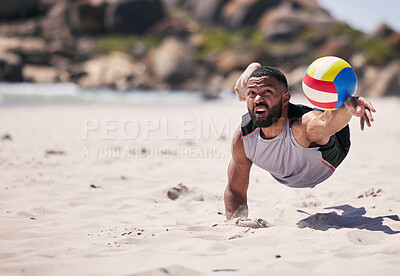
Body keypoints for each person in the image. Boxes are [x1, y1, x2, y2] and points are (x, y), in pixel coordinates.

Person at [224, 62, 376, 220]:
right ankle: (253, 72)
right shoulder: (243, 138)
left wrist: (347, 108)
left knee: (322, 118)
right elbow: (235, 190)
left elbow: (326, 124)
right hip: (289, 169)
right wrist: (236, 222)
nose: (257, 99)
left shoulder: (301, 127)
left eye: (267, 91)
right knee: (260, 89)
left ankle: (339, 101)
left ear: (286, 98)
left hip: (332, 149)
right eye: (251, 93)